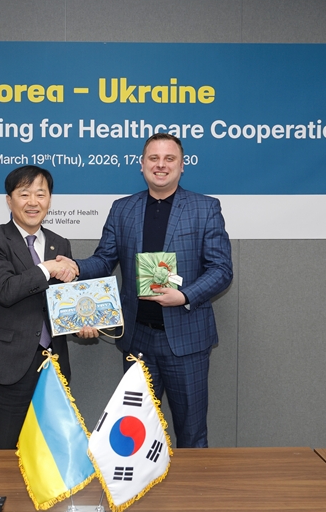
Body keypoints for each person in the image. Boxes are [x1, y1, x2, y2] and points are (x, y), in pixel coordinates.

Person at [76, 133, 233, 448]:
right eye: (153, 159)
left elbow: (221, 270)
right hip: (138, 340)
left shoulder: (205, 208)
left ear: (182, 165)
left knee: (191, 434)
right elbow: (104, 260)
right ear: (142, 165)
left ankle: (192, 497)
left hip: (186, 341)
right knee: (136, 436)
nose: (161, 165)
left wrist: (185, 296)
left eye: (169, 159)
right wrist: (75, 267)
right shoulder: (122, 209)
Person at [0, 165, 80, 449]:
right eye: (24, 194)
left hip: (54, 366)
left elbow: (62, 303)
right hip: (8, 366)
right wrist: (46, 269)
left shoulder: (60, 244)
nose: (33, 202)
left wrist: (82, 324)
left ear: (49, 200)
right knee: (1, 454)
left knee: (50, 454)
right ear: (9, 200)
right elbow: (6, 291)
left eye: (41, 194)